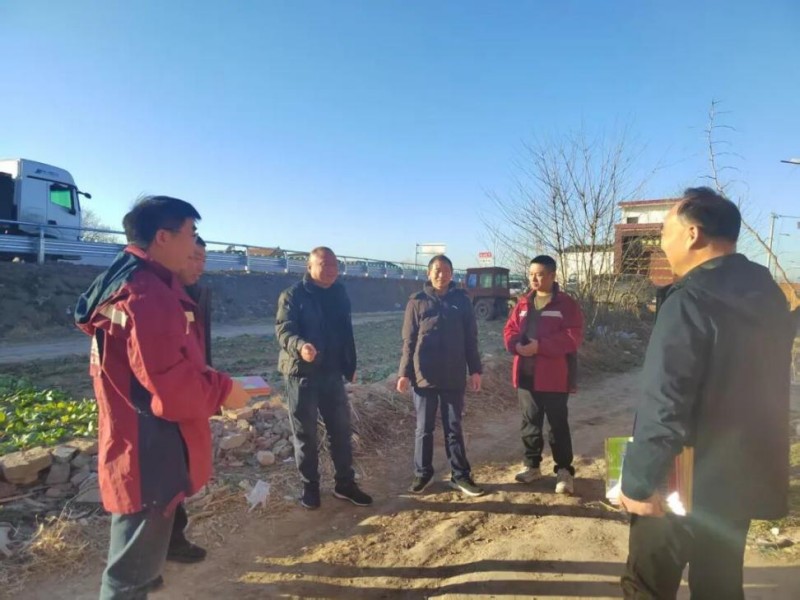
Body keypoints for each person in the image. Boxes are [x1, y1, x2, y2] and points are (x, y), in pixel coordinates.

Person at [618, 187, 793, 599]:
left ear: (693, 234)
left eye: (665, 232)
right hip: (737, 480)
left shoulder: (690, 300)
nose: (661, 243)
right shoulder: (767, 294)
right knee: (720, 586)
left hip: (681, 478)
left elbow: (666, 401)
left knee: (647, 587)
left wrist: (639, 481)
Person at [75, 196, 249, 599]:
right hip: (151, 442)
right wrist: (224, 391)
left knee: (141, 546)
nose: (195, 245)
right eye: (190, 234)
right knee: (128, 575)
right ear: (163, 237)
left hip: (137, 432)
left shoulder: (126, 279)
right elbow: (171, 387)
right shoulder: (146, 294)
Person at [275, 246, 373, 510]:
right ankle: (310, 487)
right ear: (309, 267)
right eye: (323, 264)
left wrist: (349, 364)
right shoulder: (292, 295)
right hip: (301, 375)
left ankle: (344, 484)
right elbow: (284, 330)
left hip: (332, 374)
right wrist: (300, 346)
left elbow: (345, 332)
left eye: (334, 264)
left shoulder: (340, 293)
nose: (330, 269)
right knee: (305, 435)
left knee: (340, 432)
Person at [397, 254, 485, 497]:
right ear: (428, 273)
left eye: (446, 270)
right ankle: (422, 474)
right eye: (436, 270)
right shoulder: (417, 302)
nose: (441, 274)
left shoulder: (462, 301)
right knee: (424, 428)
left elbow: (471, 339)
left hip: (453, 374)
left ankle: (460, 475)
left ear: (451, 274)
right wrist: (404, 373)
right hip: (423, 375)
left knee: (453, 427)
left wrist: (475, 370)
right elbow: (409, 341)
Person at [503, 255, 584, 494]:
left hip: (554, 376)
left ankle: (564, 471)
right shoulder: (523, 303)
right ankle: (532, 466)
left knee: (557, 424)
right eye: (531, 275)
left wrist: (540, 347)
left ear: (552, 275)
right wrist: (516, 346)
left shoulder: (565, 304)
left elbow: (572, 337)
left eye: (539, 274)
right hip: (525, 375)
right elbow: (509, 330)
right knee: (530, 422)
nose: (534, 279)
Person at [166, 235, 211, 565]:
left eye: (203, 260)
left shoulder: (195, 293)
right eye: (193, 257)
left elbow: (199, 347)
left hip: (189, 394)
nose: (199, 266)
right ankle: (151, 554)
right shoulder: (157, 295)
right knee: (162, 477)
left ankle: (173, 540)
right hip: (163, 402)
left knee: (179, 468)